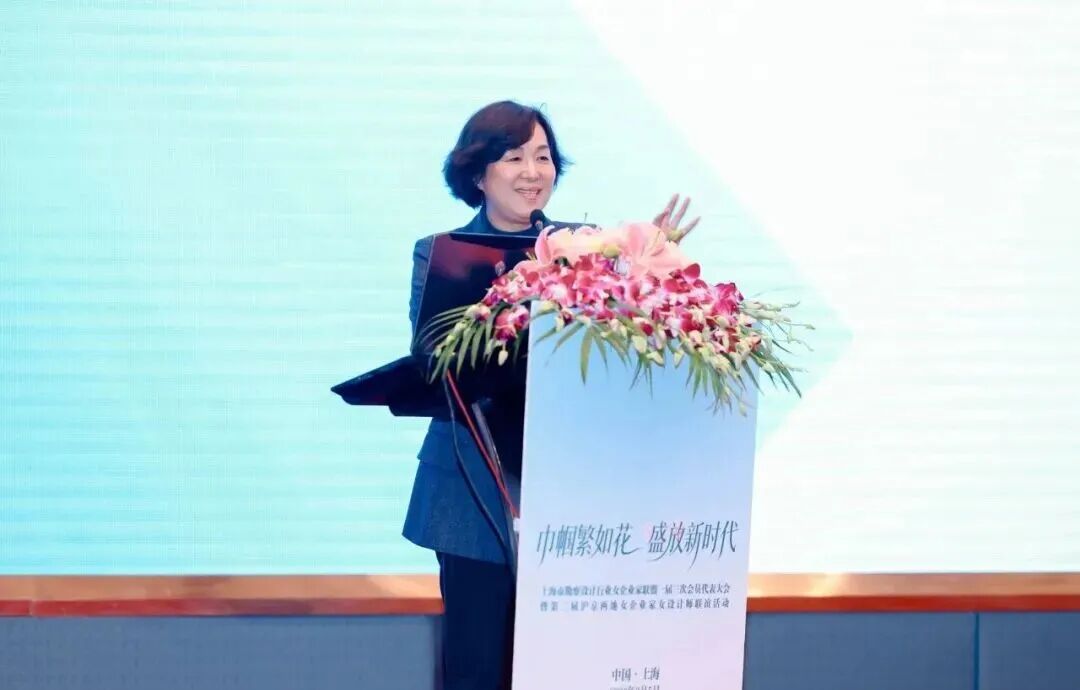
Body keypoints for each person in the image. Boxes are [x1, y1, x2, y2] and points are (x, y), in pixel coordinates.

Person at [403, 100, 698, 690]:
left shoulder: (585, 250)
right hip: (473, 488)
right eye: (514, 157)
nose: (533, 172)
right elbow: (435, 356)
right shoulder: (441, 252)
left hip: (570, 490)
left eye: (543, 157)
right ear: (477, 172)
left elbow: (617, 353)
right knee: (479, 666)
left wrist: (642, 266)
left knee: (565, 668)